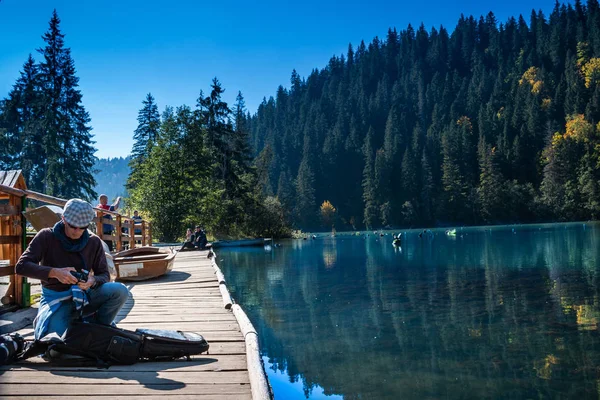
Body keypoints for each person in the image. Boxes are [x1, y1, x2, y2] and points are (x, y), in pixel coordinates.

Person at [15, 199, 129, 340]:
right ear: (63, 219)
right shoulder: (46, 236)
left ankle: (99, 326)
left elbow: (104, 275)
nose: (77, 231)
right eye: (73, 226)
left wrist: (92, 280)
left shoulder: (93, 241)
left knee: (120, 291)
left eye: (82, 227)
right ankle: (85, 326)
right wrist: (54, 272)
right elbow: (21, 266)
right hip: (57, 299)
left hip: (85, 295)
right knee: (54, 340)